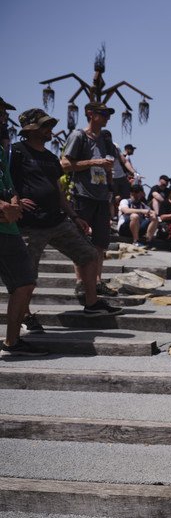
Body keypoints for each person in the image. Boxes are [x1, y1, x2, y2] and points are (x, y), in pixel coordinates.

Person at [12, 108, 121, 319]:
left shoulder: (50, 157)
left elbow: (58, 190)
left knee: (89, 254)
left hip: (56, 219)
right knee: (27, 274)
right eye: (45, 126)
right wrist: (14, 199)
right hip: (29, 223)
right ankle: (25, 316)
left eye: (50, 125)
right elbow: (6, 181)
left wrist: (74, 216)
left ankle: (92, 304)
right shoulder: (16, 152)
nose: (50, 129)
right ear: (31, 129)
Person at [61, 102, 118, 298]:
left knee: (100, 242)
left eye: (108, 114)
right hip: (82, 195)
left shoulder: (105, 139)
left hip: (101, 197)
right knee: (81, 240)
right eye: (103, 114)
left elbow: (110, 165)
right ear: (90, 114)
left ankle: (97, 281)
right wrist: (95, 162)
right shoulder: (79, 136)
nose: (107, 117)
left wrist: (110, 189)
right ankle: (80, 281)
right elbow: (65, 164)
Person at [0, 125, 48, 357]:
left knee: (25, 283)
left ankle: (12, 342)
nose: (3, 118)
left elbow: (8, 183)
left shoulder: (2, 150)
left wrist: (14, 203)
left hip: (8, 228)